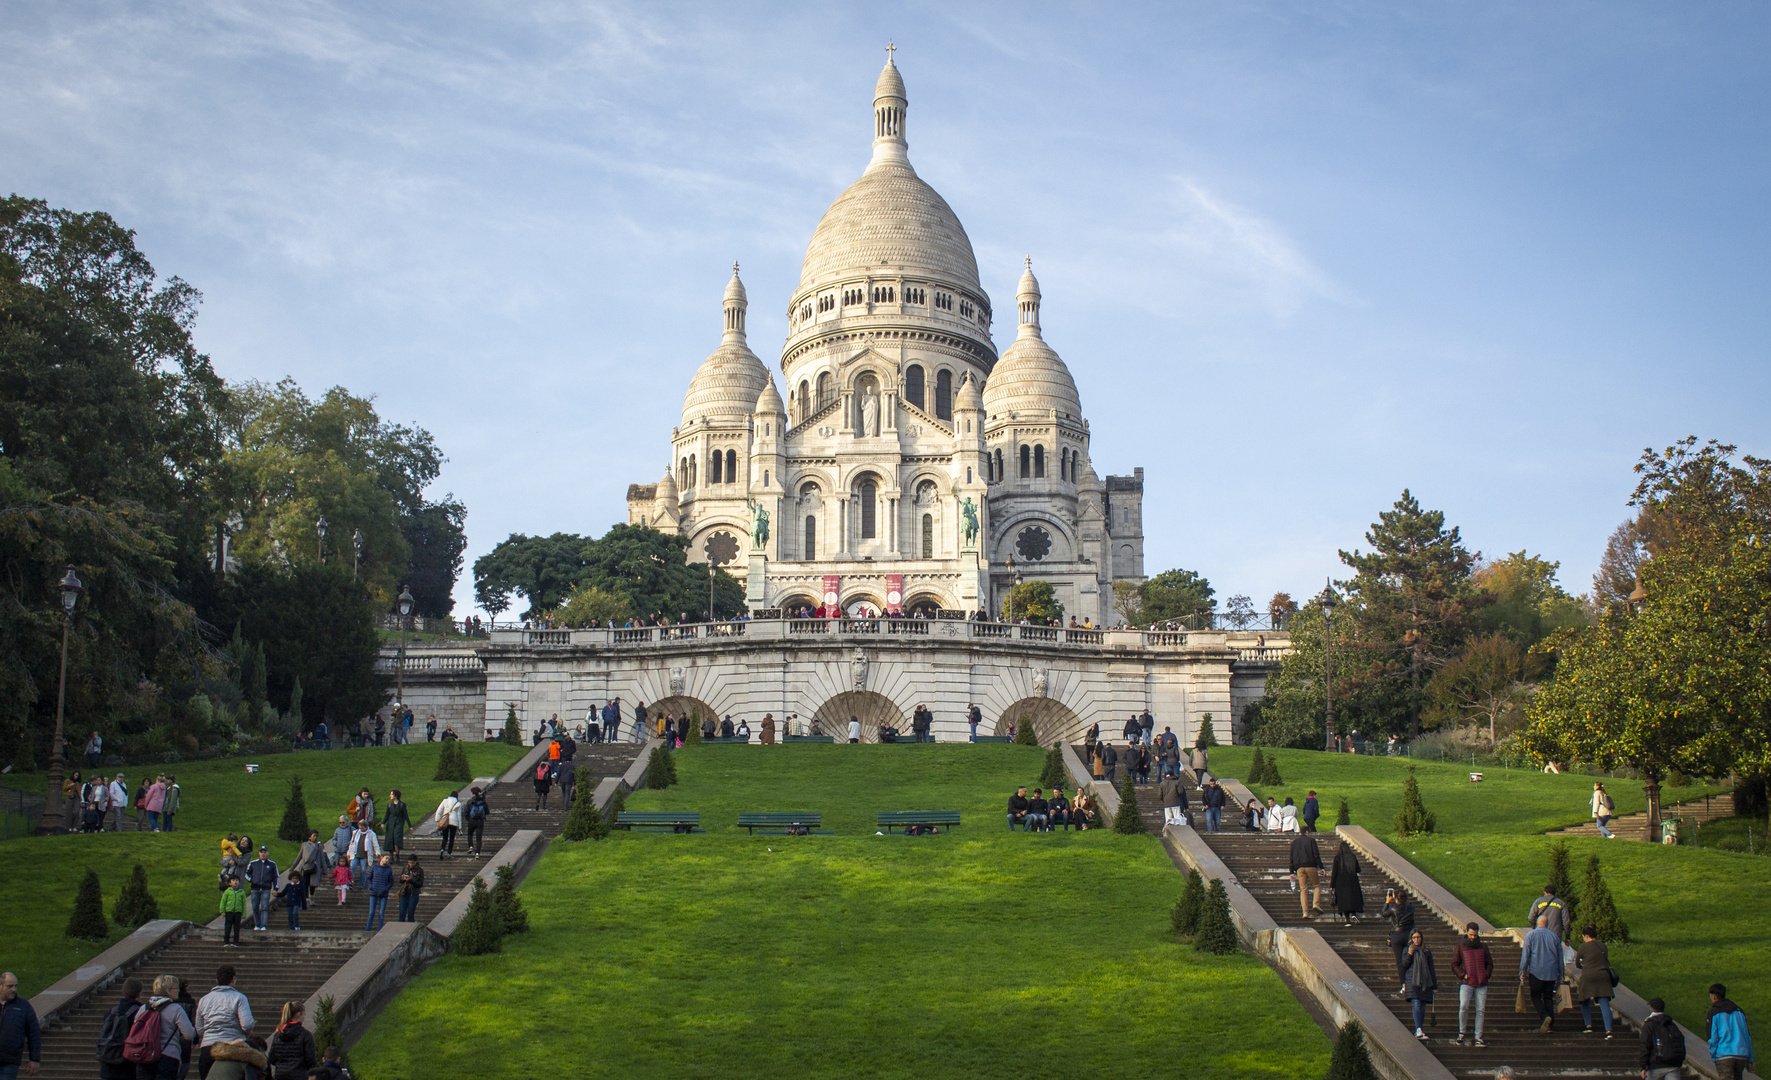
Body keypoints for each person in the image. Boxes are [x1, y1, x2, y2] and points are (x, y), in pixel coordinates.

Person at [194, 965, 254, 1078]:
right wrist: (243, 1034)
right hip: (232, 1046)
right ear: (233, 979)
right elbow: (247, 1024)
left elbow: (199, 1028)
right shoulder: (239, 998)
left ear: (217, 980)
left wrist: (208, 1035)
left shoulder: (204, 1000)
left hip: (208, 1047)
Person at [1519, 914, 1563, 1033]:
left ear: (1537, 923)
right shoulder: (1554, 937)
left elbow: (1526, 955)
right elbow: (1560, 958)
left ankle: (1544, 1017)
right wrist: (1561, 974)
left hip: (1536, 971)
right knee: (1548, 997)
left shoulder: (1531, 935)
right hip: (1551, 972)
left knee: (1535, 997)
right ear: (1547, 924)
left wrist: (1522, 970)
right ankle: (1550, 1024)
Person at [1451, 922, 1492, 1047]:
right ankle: (1461, 1032)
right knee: (1463, 1006)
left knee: (1480, 1010)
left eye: (1475, 935)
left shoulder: (1483, 947)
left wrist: (1486, 975)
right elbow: (1454, 964)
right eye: (1471, 935)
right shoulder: (1461, 947)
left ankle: (1478, 1036)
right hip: (1466, 982)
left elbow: (1489, 963)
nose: (1473, 937)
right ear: (1467, 933)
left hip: (1481, 983)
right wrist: (1463, 975)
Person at [1572, 925, 1616, 1038]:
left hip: (1588, 976)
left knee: (1584, 1000)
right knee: (1604, 1002)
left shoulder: (1583, 947)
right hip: (1603, 976)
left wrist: (1584, 965)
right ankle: (1609, 1030)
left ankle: (1589, 1025)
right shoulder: (1603, 946)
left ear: (1586, 936)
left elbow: (1577, 964)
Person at [95, 977, 142, 1080]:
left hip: (107, 1064)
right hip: (128, 1067)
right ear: (139, 994)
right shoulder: (140, 1012)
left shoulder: (111, 1012)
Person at [0, 970, 42, 1079]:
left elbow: (34, 1033)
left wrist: (34, 1059)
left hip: (10, 1061)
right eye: (9, 986)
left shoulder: (23, 1006)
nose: (14, 990)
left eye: (15, 986)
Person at [1708, 983, 1755, 1080]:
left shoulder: (1714, 1012)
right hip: (1741, 1054)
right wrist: (1750, 1058)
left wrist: (1714, 1054)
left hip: (1724, 1054)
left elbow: (1713, 1037)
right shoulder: (1739, 1011)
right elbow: (1747, 1036)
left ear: (1714, 997)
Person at [1402, 929, 1437, 1041]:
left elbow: (1431, 968)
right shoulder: (1407, 950)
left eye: (1418, 937)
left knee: (1422, 1006)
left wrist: (1435, 986)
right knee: (1416, 1003)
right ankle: (1418, 1029)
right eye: (1414, 937)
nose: (1416, 939)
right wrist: (1410, 954)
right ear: (1411, 939)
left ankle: (1419, 1028)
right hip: (1412, 981)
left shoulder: (1426, 951)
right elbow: (1404, 965)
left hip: (1425, 981)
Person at [1637, 997, 1685, 1080]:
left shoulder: (1649, 1024)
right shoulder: (1671, 1024)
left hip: (1655, 1065)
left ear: (1651, 1009)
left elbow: (1645, 1045)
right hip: (1673, 1064)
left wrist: (1643, 1066)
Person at [266, 1002, 316, 1080]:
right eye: (303, 1015)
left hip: (280, 1075)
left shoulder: (278, 1035)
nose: (304, 1018)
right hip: (299, 1075)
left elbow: (272, 1058)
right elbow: (310, 1059)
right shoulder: (305, 1035)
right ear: (298, 1014)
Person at [1383, 888, 1417, 993]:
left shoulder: (1393, 908)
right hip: (1408, 935)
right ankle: (1413, 981)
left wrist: (1387, 902)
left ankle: (1404, 984)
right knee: (1410, 958)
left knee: (1400, 962)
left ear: (1395, 898)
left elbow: (1384, 914)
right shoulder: (1411, 907)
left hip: (1397, 936)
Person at [1288, 830, 1323, 919]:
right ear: (1307, 832)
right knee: (1316, 885)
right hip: (1311, 865)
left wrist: (1291, 872)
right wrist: (1321, 867)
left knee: (1303, 889)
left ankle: (1305, 912)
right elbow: (1316, 854)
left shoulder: (1294, 843)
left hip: (1299, 868)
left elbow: (1291, 858)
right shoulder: (1311, 840)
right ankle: (1316, 903)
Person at [245, 846, 278, 932]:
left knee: (264, 907)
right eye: (262, 852)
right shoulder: (253, 863)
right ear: (259, 853)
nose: (263, 854)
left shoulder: (272, 864)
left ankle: (263, 925)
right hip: (255, 888)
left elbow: (276, 877)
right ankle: (257, 924)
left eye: (265, 852)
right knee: (255, 907)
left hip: (266, 889)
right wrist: (252, 880)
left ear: (268, 853)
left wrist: (275, 888)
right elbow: (246, 874)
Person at [1330, 843, 1364, 924]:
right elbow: (1358, 869)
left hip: (1341, 883)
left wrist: (1332, 885)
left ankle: (1347, 920)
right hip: (1353, 881)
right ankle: (1353, 914)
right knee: (1353, 899)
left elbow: (1334, 872)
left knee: (1344, 901)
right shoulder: (1352, 857)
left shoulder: (1337, 858)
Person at [364, 854, 394, 931]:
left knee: (381, 913)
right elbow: (369, 878)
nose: (387, 860)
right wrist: (371, 886)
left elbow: (391, 881)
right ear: (381, 858)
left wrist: (386, 888)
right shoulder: (374, 867)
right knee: (371, 912)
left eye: (389, 859)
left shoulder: (389, 869)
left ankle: (379, 929)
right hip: (374, 892)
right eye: (386, 858)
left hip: (383, 893)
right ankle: (368, 929)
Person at [345, 824, 379, 889]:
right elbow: (352, 843)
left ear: (366, 827)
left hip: (364, 856)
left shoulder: (371, 834)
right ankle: (350, 883)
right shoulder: (356, 833)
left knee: (363, 870)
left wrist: (377, 852)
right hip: (355, 854)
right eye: (360, 828)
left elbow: (375, 844)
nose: (362, 829)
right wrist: (349, 853)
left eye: (363, 828)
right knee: (352, 867)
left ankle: (361, 885)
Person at [218, 878, 247, 947]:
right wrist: (222, 911)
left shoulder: (241, 892)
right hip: (229, 912)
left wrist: (244, 913)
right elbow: (223, 901)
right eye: (233, 880)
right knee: (228, 927)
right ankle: (226, 941)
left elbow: (244, 903)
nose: (235, 882)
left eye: (237, 880)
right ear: (230, 883)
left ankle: (235, 942)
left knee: (237, 928)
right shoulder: (227, 891)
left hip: (238, 912)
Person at [397, 855, 424, 923]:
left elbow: (420, 884)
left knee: (410, 913)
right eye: (409, 862)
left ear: (416, 862)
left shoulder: (420, 871)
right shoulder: (405, 869)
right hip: (404, 892)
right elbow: (400, 881)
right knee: (402, 912)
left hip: (413, 893)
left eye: (412, 863)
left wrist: (411, 880)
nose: (410, 864)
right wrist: (403, 878)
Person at [434, 790, 461, 858]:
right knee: (452, 838)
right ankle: (449, 853)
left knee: (445, 837)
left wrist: (438, 820)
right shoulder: (458, 803)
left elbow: (439, 810)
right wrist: (460, 827)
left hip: (445, 821)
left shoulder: (445, 801)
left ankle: (442, 849)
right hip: (454, 822)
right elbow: (459, 816)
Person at [382, 791, 410, 856]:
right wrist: (383, 823)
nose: (390, 796)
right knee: (390, 840)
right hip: (391, 824)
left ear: (395, 795)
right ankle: (391, 855)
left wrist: (410, 825)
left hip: (398, 823)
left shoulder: (402, 804)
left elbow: (405, 815)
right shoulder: (389, 804)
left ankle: (397, 855)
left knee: (397, 839)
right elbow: (387, 815)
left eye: (391, 794)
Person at [463, 786, 488, 857]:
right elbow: (487, 811)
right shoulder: (483, 801)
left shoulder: (470, 801)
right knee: (479, 837)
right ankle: (477, 853)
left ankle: (470, 846)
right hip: (480, 821)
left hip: (472, 820)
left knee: (470, 834)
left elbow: (466, 812)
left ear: (473, 794)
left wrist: (468, 819)